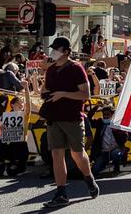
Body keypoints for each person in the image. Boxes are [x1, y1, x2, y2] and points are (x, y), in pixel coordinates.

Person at [40, 37, 99, 208]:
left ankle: (89, 179)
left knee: (77, 154)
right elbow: (45, 88)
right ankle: (61, 192)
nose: (53, 52)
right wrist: (46, 91)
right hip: (53, 117)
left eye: (56, 49)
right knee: (56, 155)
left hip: (72, 117)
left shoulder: (76, 68)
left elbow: (86, 94)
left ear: (66, 51)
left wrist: (63, 94)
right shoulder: (50, 70)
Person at [0, 91, 31, 177]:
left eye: (22, 103)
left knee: (12, 172)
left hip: (20, 146)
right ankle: (0, 165)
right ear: (12, 105)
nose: (21, 104)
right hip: (8, 144)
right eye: (18, 102)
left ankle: (14, 165)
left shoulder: (25, 115)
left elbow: (28, 104)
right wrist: (0, 128)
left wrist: (26, 88)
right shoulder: (5, 116)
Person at [89, 106, 127, 175]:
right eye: (104, 114)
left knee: (116, 153)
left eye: (107, 114)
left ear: (112, 115)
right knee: (94, 170)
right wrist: (95, 108)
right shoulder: (100, 122)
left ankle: (116, 167)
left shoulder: (117, 124)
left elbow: (124, 139)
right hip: (104, 152)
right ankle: (103, 164)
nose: (105, 116)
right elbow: (89, 119)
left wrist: (117, 131)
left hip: (116, 149)